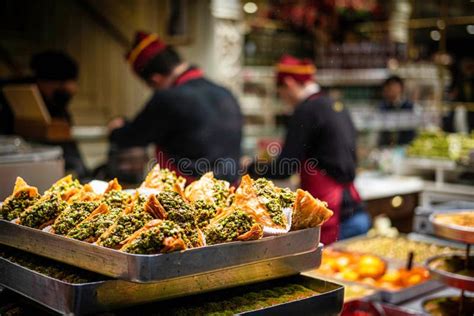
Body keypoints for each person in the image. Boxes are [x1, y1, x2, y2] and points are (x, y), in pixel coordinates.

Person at [248, 55, 370, 244]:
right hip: (355, 211)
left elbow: (285, 167)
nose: (282, 98)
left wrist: (252, 167)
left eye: (279, 92)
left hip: (331, 216)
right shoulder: (334, 104)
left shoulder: (306, 111)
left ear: (288, 84)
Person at [108, 31, 242, 183]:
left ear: (155, 79)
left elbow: (133, 136)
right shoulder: (225, 93)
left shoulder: (168, 98)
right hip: (231, 193)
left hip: (190, 195)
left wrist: (116, 129)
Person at [0, 51, 88, 179]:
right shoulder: (18, 99)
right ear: (49, 82)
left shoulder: (58, 105)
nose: (74, 89)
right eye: (69, 82)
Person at [378, 75, 416, 146]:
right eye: (389, 87)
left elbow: (412, 129)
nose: (392, 89)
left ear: (401, 88)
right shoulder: (382, 106)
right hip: (386, 146)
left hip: (406, 145)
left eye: (395, 86)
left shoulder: (409, 106)